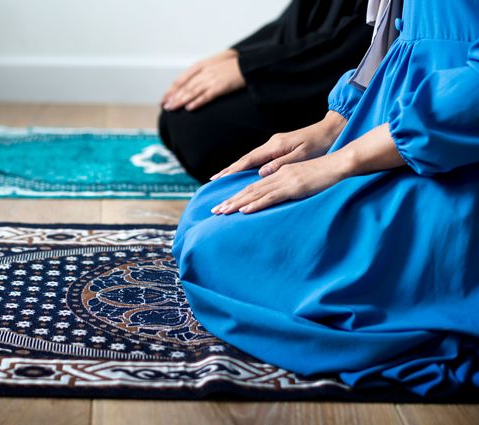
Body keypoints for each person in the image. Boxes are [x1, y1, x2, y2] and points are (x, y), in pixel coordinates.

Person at [173, 0, 479, 397]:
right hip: (395, 125)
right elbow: (398, 37)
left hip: (452, 151)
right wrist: (333, 124)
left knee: (215, 247)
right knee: (209, 208)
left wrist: (342, 162)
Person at [158, 0, 373, 183]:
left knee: (201, 131)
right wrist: (237, 55)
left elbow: (360, 43)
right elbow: (298, 18)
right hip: (298, 66)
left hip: (329, 85)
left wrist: (249, 68)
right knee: (182, 114)